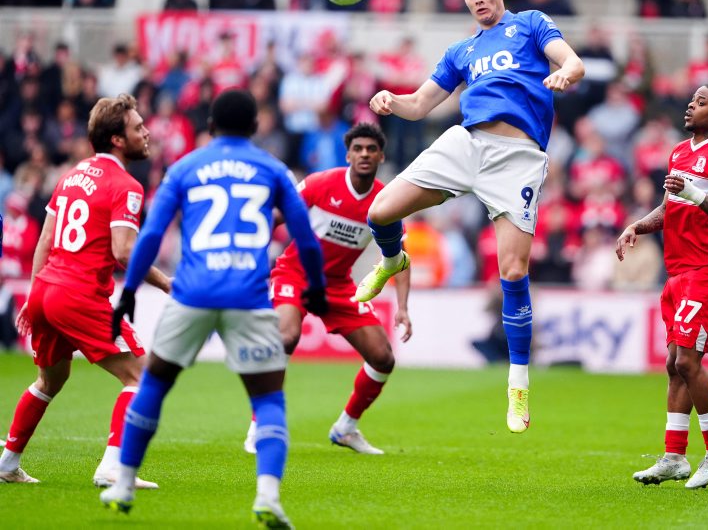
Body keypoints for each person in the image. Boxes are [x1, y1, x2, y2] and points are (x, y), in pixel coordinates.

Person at [361, 0, 584, 433]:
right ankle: (393, 261)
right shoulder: (461, 51)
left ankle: (518, 384)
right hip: (466, 144)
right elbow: (419, 104)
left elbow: (573, 61)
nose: (478, 0)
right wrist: (391, 101)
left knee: (513, 270)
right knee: (380, 211)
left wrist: (565, 73)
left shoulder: (530, 24)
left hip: (517, 158)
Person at [98, 90, 328, 527]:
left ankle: (123, 482)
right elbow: (306, 237)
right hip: (249, 296)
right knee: (268, 399)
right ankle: (268, 497)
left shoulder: (185, 167)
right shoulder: (273, 169)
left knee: (153, 385)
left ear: (209, 126)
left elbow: (151, 235)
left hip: (192, 294)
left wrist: (128, 292)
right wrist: (316, 288)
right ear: (255, 127)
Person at [0, 94, 171, 487]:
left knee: (50, 380)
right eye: (138, 127)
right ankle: (113, 467)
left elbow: (46, 241)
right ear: (117, 139)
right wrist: (166, 283)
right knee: (141, 376)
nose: (146, 132)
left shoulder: (72, 175)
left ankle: (8, 462)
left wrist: (34, 294)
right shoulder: (126, 185)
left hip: (46, 289)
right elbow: (124, 251)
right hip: (77, 294)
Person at [616, 83, 708, 490]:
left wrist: (696, 193)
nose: (690, 105)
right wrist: (637, 226)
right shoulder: (680, 152)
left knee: (686, 362)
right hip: (679, 273)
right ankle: (674, 457)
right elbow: (670, 207)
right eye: (692, 100)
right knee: (673, 364)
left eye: (701, 102)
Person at [243, 122, 412, 457]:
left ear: (381, 156)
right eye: (358, 149)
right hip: (295, 273)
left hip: (338, 284)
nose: (364, 154)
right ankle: (259, 426)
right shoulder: (321, 184)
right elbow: (274, 217)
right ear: (348, 155)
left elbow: (399, 258)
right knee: (286, 337)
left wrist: (403, 307)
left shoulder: (386, 203)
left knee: (382, 357)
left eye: (372, 149)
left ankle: (346, 428)